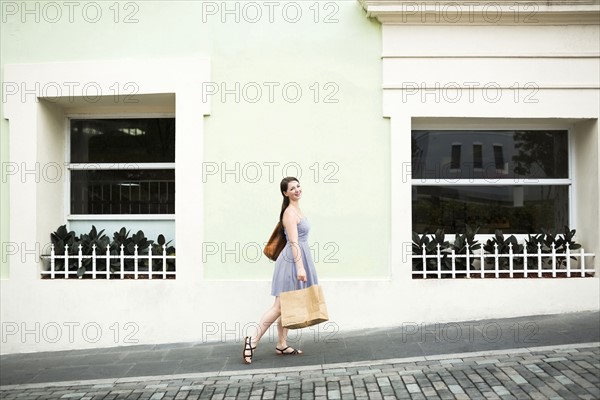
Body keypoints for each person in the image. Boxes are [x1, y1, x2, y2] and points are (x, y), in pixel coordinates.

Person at [242, 177, 319, 364]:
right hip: (292, 262)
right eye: (292, 188)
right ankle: (251, 341)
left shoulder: (296, 209)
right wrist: (300, 267)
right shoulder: (290, 213)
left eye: (298, 186)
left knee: (288, 306)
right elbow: (293, 242)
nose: (297, 190)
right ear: (285, 193)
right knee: (279, 306)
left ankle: (282, 344)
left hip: (298, 259)